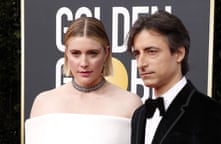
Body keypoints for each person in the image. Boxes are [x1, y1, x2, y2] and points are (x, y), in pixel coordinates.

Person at [25, 16, 142, 144]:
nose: (84, 63)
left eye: (93, 53)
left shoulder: (130, 104)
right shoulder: (43, 103)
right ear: (66, 54)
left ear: (106, 53)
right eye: (76, 53)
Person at [127, 10, 221, 144]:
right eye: (137, 54)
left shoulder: (209, 112)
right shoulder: (139, 115)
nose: (141, 63)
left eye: (151, 52)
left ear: (179, 53)